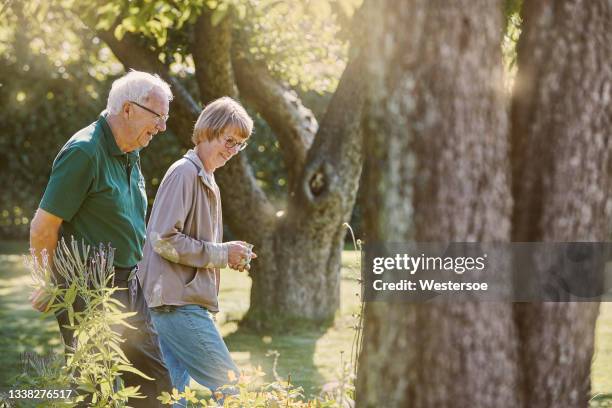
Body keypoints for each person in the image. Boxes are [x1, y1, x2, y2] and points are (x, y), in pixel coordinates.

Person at [28, 70, 174, 407]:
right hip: (87, 288)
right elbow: (42, 226)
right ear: (128, 109)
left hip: (127, 284)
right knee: (95, 389)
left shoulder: (130, 148)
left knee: (156, 386)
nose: (163, 128)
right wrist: (47, 281)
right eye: (158, 117)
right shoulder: (84, 151)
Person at [137, 96, 255, 403]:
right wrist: (220, 253)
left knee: (171, 398)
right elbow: (162, 238)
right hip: (177, 304)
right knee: (232, 389)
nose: (232, 151)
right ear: (206, 132)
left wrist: (227, 255)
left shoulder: (206, 178)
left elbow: (195, 243)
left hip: (179, 302)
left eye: (239, 145)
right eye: (229, 141)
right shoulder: (184, 173)